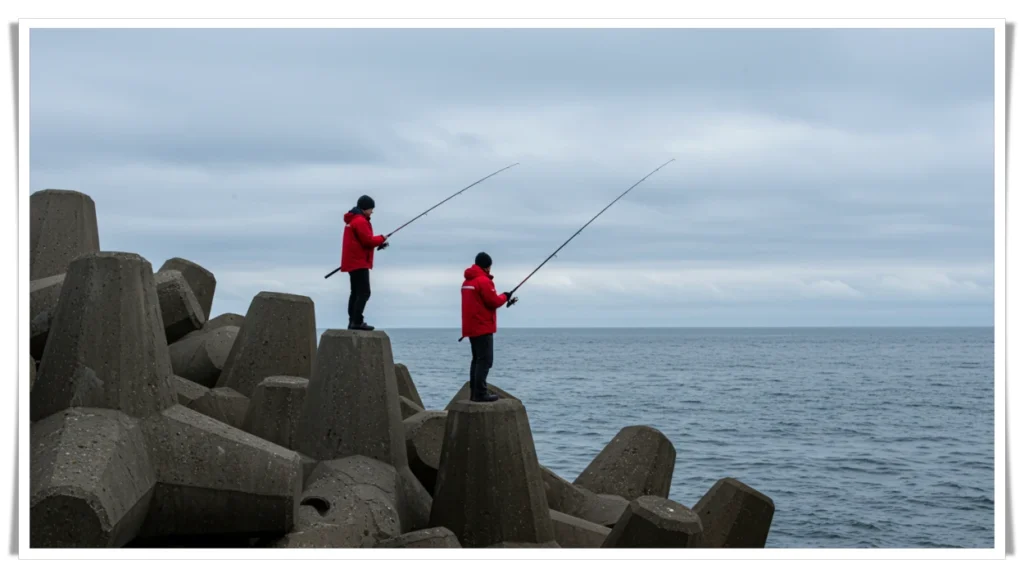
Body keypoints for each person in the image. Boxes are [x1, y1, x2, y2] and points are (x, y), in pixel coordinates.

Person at [461, 252, 518, 402]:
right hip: (482, 327)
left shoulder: (467, 281)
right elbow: (493, 301)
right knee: (485, 360)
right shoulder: (483, 281)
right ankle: (480, 394)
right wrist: (505, 296)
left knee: (476, 360)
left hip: (470, 327)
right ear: (487, 266)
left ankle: (474, 393)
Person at [341, 195, 389, 330]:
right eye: (371, 209)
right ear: (365, 208)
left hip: (352, 262)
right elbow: (367, 241)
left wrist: (379, 242)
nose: (372, 211)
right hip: (359, 262)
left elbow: (361, 242)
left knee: (355, 293)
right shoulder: (360, 221)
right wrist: (381, 238)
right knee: (364, 293)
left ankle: (352, 322)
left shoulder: (353, 221)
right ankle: (357, 321)